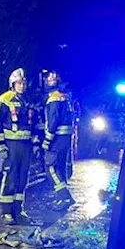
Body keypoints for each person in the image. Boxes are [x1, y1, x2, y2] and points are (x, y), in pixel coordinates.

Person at [0, 68, 37, 225]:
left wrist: (36, 144)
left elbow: (32, 124)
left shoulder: (26, 101)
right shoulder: (5, 99)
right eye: (19, 83)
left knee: (22, 178)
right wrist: (1, 144)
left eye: (23, 83)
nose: (22, 86)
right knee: (10, 177)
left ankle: (18, 210)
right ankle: (6, 211)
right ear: (13, 84)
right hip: (11, 145)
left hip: (25, 145)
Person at [42, 70, 76, 210]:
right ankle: (61, 200)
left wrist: (47, 140)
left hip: (57, 139)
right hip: (65, 138)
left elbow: (53, 120)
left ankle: (64, 196)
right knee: (60, 167)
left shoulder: (54, 98)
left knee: (51, 167)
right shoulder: (65, 97)